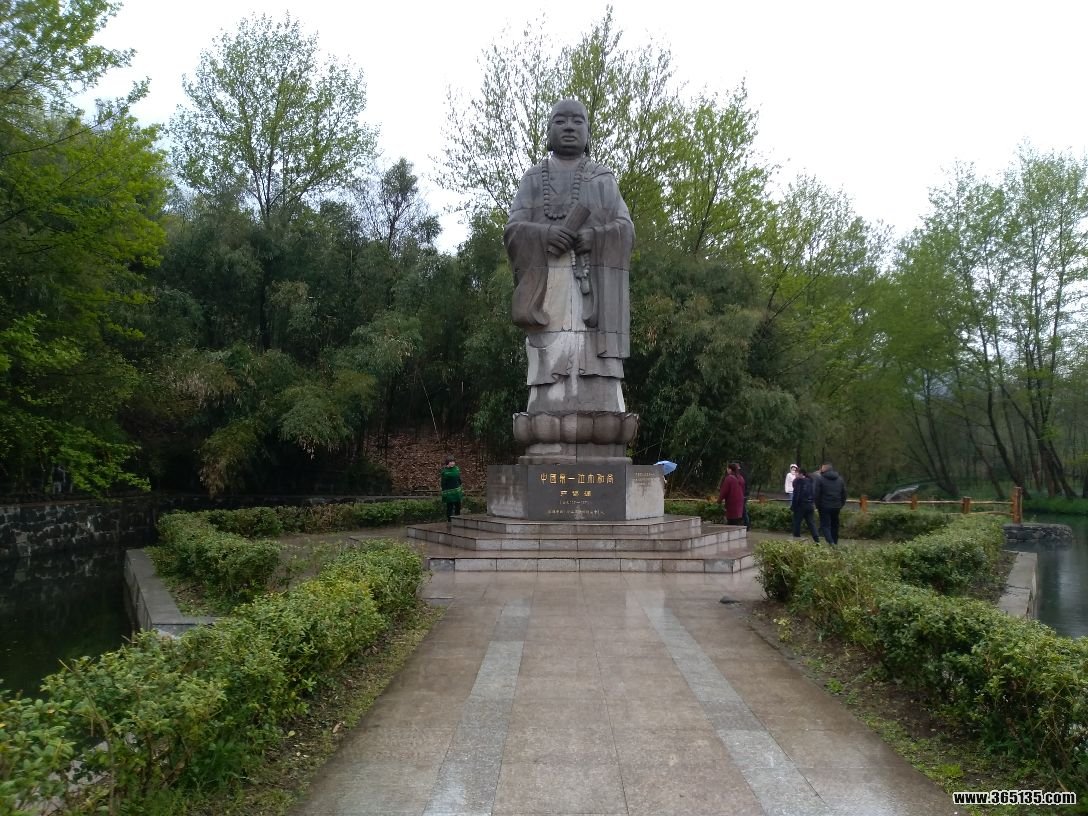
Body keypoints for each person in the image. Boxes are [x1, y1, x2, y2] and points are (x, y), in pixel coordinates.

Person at [503, 98, 634, 414]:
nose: (570, 127)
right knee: (550, 363)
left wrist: (595, 238)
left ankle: (601, 401)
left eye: (578, 121)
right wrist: (546, 235)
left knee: (595, 368)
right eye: (560, 121)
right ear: (548, 131)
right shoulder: (533, 178)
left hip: (592, 289)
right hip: (548, 290)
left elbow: (626, 229)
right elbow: (513, 230)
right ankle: (548, 403)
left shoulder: (602, 178)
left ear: (588, 133)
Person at [812, 462, 847, 545]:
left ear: (824, 469)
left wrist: (817, 505)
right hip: (837, 506)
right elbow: (844, 493)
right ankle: (835, 542)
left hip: (824, 506)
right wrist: (841, 504)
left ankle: (831, 542)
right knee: (835, 525)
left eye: (822, 468)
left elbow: (816, 494)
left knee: (825, 525)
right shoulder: (840, 479)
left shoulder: (820, 479)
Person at [790, 467, 819, 542]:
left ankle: (796, 539)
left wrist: (793, 506)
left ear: (801, 474)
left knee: (797, 523)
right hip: (809, 505)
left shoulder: (799, 482)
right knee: (811, 523)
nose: (795, 474)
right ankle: (817, 539)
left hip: (800, 506)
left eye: (797, 473)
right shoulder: (810, 481)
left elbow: (797, 495)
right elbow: (814, 493)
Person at [440, 457, 464, 522]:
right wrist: (444, 491)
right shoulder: (445, 471)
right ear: (447, 463)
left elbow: (458, 478)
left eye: (453, 462)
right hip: (449, 491)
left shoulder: (456, 469)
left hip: (457, 490)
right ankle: (449, 520)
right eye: (451, 462)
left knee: (458, 505)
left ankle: (458, 519)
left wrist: (460, 485)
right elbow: (443, 482)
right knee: (450, 507)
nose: (452, 463)